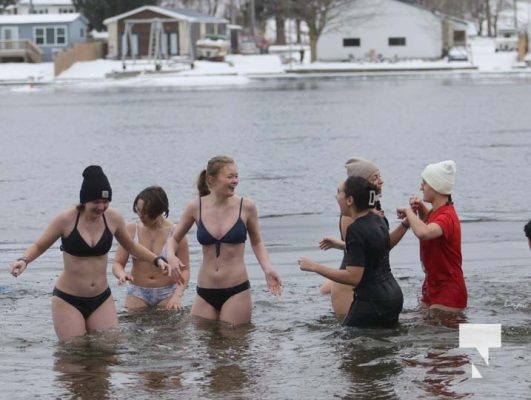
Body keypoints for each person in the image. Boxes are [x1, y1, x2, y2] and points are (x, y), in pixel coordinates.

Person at [8, 165, 183, 342]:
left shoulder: (112, 218)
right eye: (96, 202)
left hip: (101, 298)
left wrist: (157, 260)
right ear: (85, 200)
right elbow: (39, 246)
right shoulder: (66, 219)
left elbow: (131, 246)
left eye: (105, 202)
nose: (101, 207)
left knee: (108, 351)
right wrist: (24, 260)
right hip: (68, 299)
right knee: (74, 354)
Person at [166, 155, 282, 325]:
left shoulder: (246, 206)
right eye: (229, 177)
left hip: (236, 290)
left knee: (234, 346)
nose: (235, 181)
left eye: (236, 176)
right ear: (211, 180)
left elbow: (257, 242)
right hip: (204, 291)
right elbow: (174, 238)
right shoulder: (195, 206)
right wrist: (170, 256)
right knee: (204, 346)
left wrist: (268, 269)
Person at [299, 176, 403, 328]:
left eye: (339, 192)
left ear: (349, 200)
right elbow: (376, 248)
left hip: (372, 302)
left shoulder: (355, 229)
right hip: (393, 297)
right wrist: (343, 245)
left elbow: (353, 277)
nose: (336, 196)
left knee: (345, 344)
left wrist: (313, 266)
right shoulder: (377, 219)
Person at [319, 157, 409, 317]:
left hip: (369, 284)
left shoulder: (372, 209)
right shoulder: (351, 216)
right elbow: (357, 250)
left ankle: (326, 289)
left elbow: (377, 246)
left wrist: (405, 224)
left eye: (379, 176)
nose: (381, 181)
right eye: (375, 177)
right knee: (351, 338)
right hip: (350, 287)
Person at [397, 160, 467, 316]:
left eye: (424, 183)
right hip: (432, 286)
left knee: (444, 338)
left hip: (449, 290)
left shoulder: (447, 216)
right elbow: (430, 224)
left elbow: (425, 233)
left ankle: (489, 340)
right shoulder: (437, 212)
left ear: (436, 187)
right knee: (424, 330)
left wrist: (409, 212)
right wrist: (421, 208)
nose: (421, 187)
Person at [112, 186, 190, 311]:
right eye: (138, 210)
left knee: (169, 328)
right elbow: (117, 263)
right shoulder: (131, 230)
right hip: (137, 292)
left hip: (167, 292)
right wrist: (121, 274)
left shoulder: (176, 234)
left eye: (146, 212)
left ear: (159, 211)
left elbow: (185, 270)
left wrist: (177, 295)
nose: (141, 216)